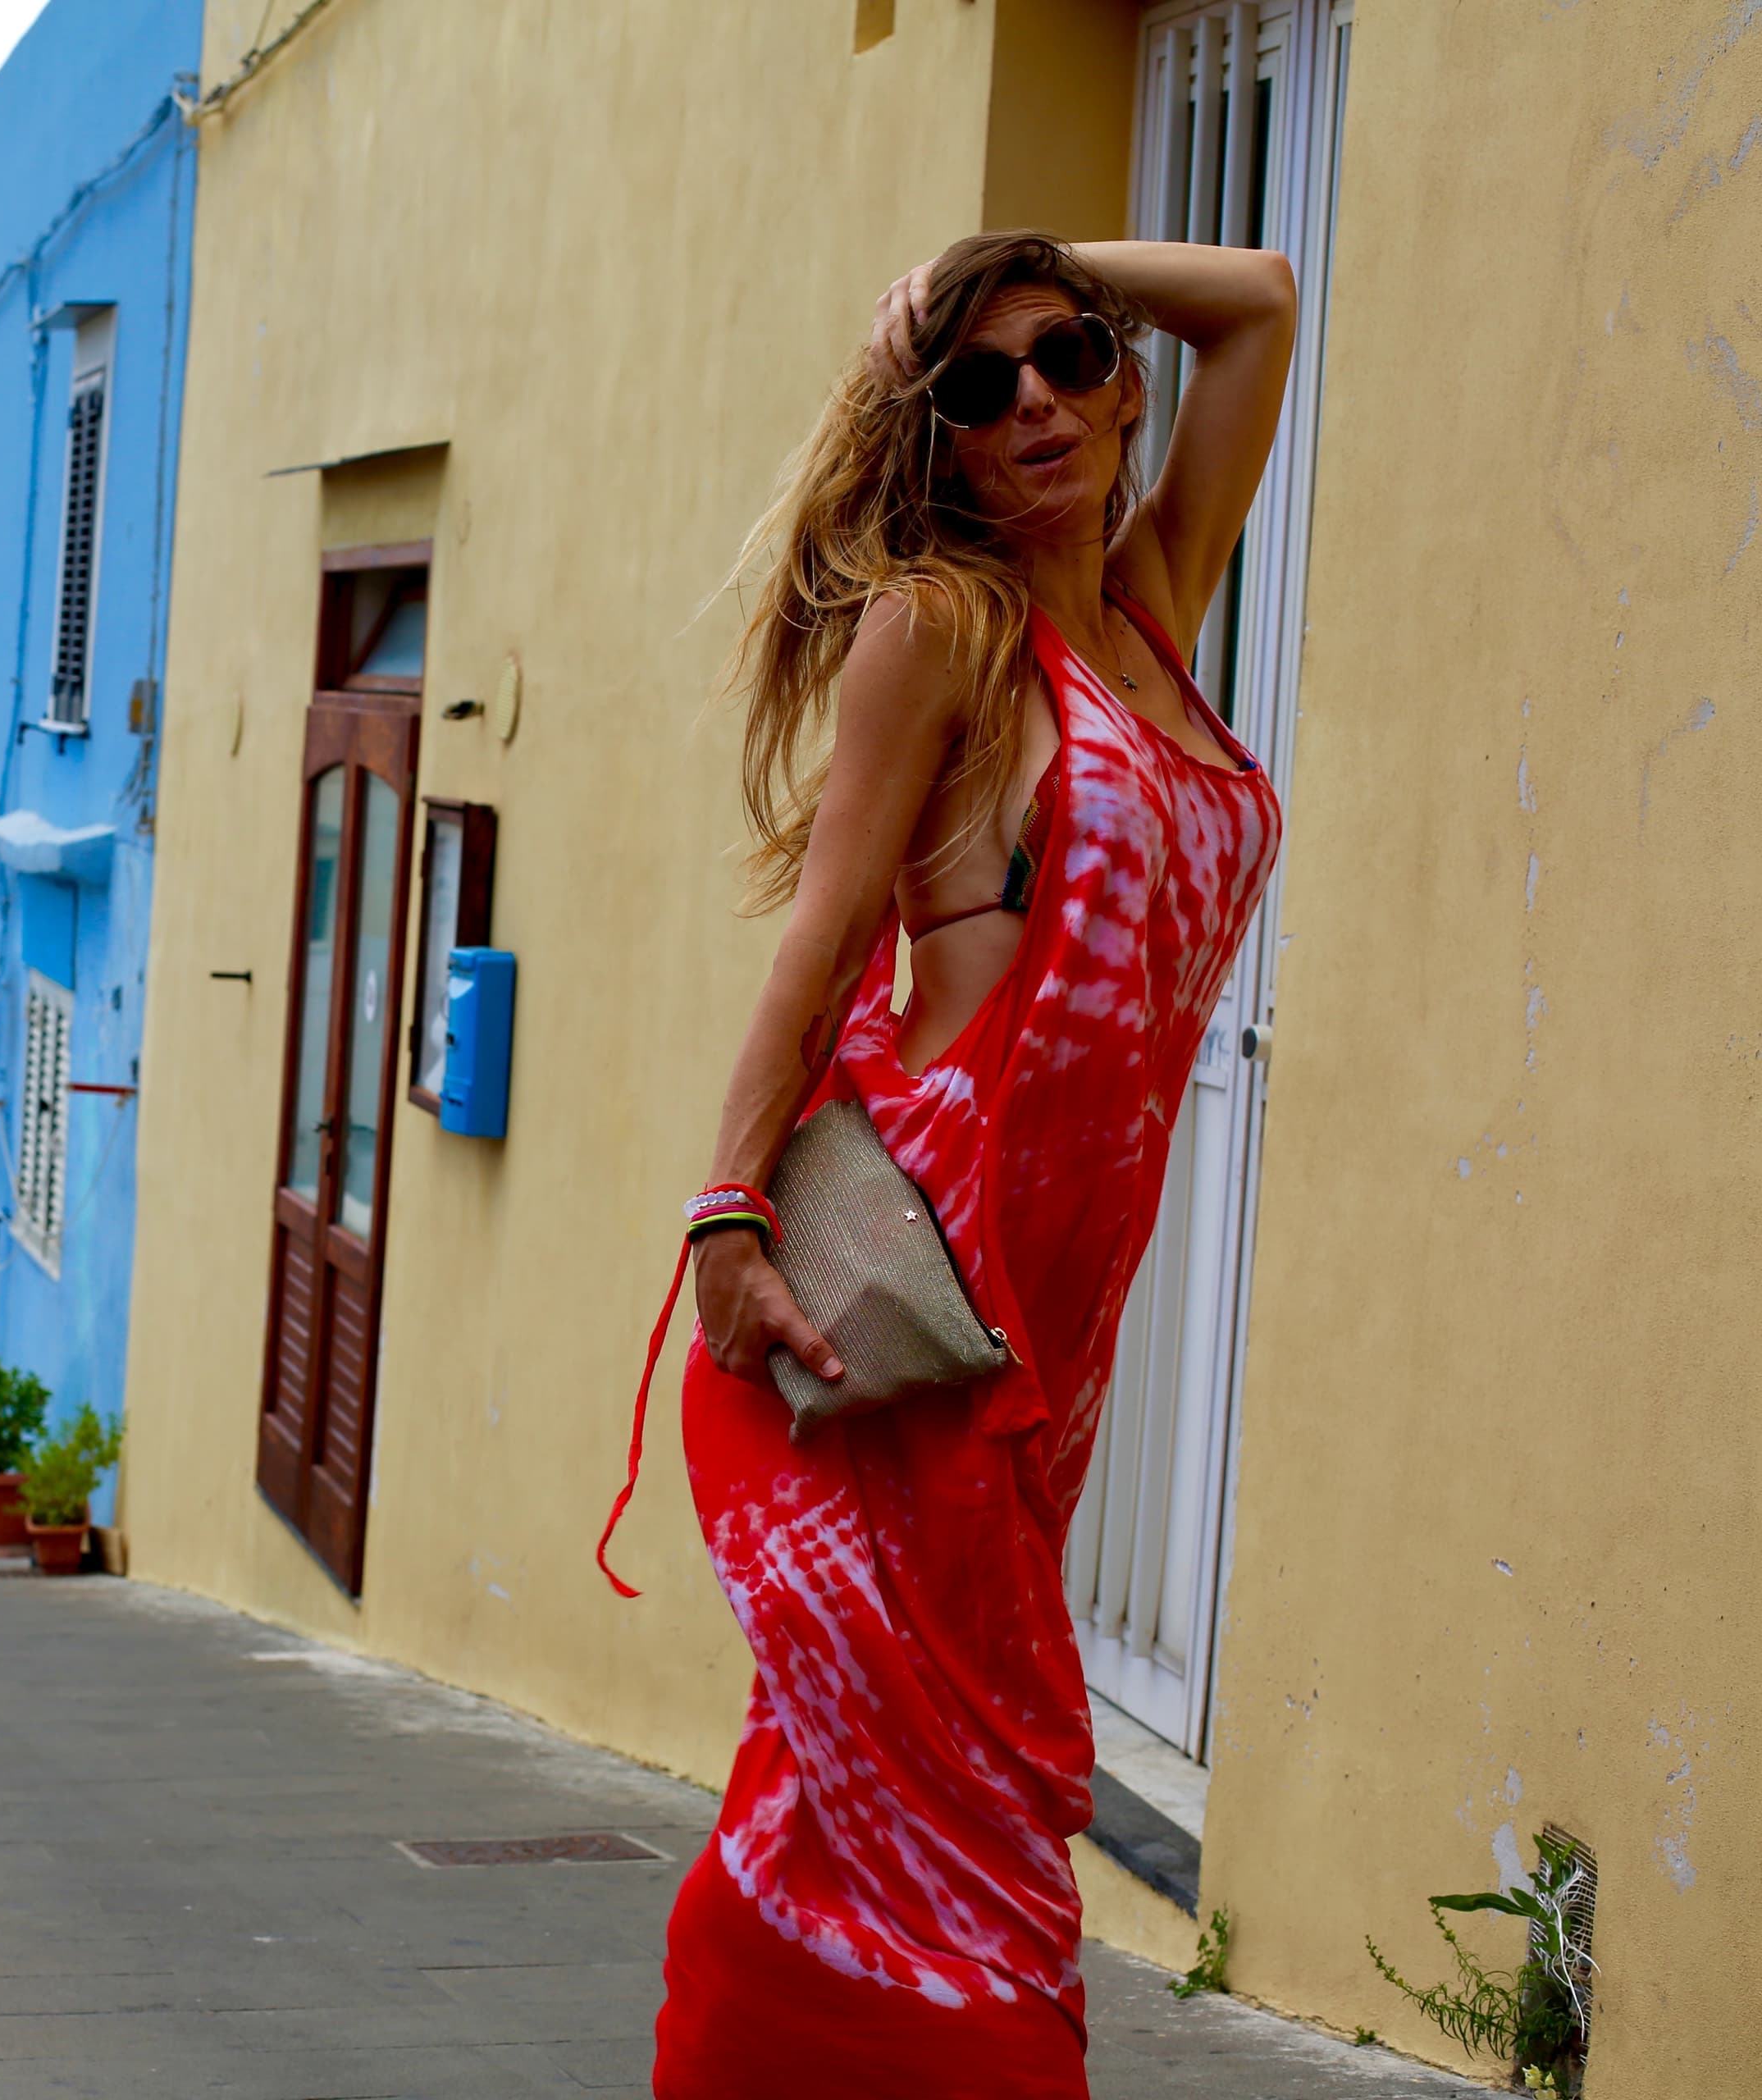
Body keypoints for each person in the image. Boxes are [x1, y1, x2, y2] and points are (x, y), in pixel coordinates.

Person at [636, 232, 1295, 2099]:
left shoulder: (1153, 595)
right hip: (926, 1269)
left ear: (1117, 379)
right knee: (959, 1828)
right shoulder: (937, 625)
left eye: (1064, 357)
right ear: (931, 444)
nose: (1031, 406)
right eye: (974, 387)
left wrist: (1007, 263)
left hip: (1058, 1318)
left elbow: (1255, 294)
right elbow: (826, 929)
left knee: (939, 1799)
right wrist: (721, 1209)